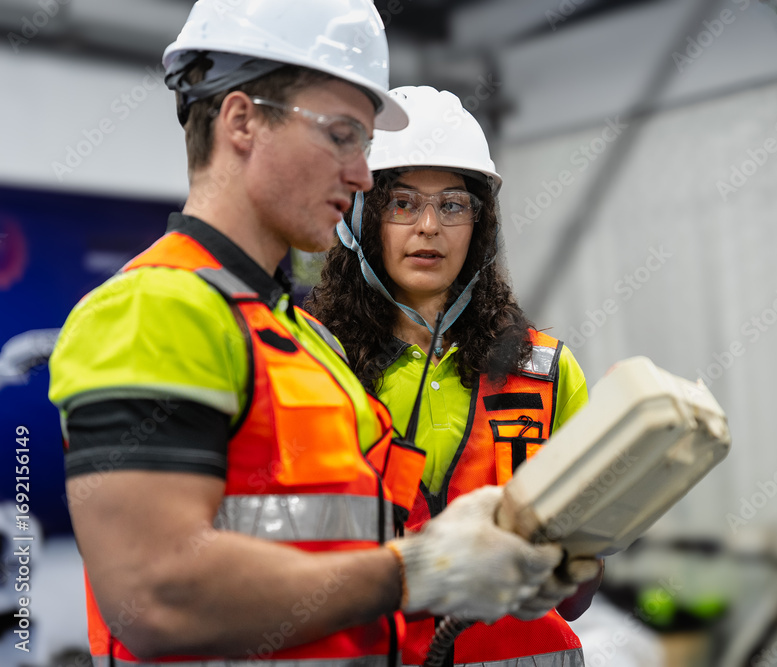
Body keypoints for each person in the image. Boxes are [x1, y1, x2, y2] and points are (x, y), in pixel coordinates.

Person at [47, 3, 578, 666]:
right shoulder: (152, 309)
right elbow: (157, 595)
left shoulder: (304, 343)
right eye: (341, 134)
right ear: (241, 120)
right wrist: (418, 570)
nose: (361, 174)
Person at [306, 85, 603, 667]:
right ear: (358, 216)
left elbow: (575, 601)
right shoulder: (312, 365)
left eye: (452, 204)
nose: (429, 227)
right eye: (402, 202)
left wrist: (577, 556)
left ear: (480, 225)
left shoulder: (547, 372)